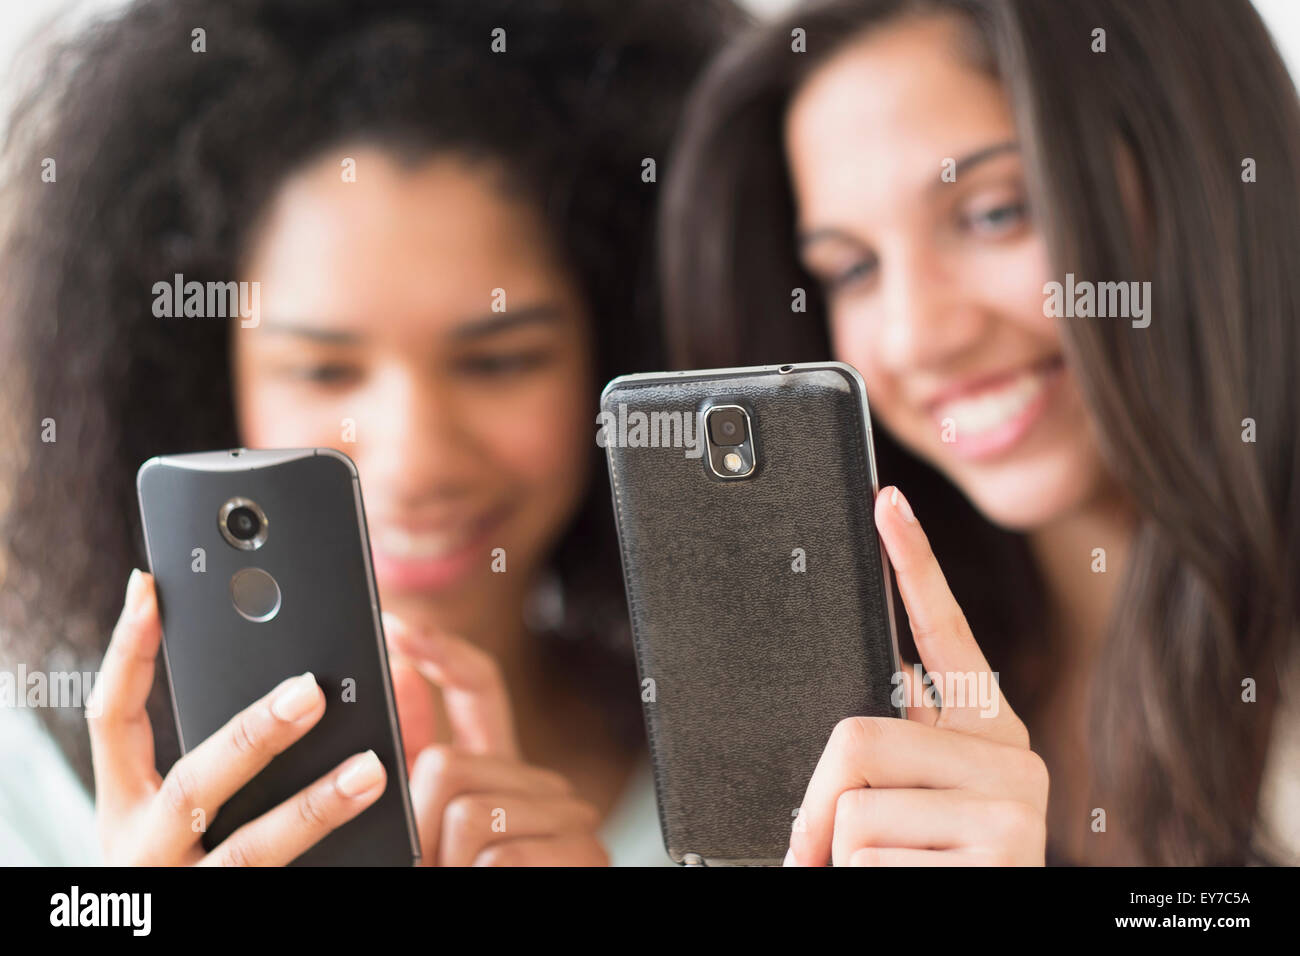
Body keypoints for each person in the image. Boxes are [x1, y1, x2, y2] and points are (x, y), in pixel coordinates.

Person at [0, 0, 737, 865]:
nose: (416, 460)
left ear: (614, 356)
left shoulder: (763, 777)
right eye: (321, 370)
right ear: (200, 380)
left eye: (499, 361)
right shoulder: (30, 785)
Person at [662, 0, 1300, 865]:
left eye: (996, 213)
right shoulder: (872, 700)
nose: (915, 338)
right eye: (851, 269)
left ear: (1196, 174)